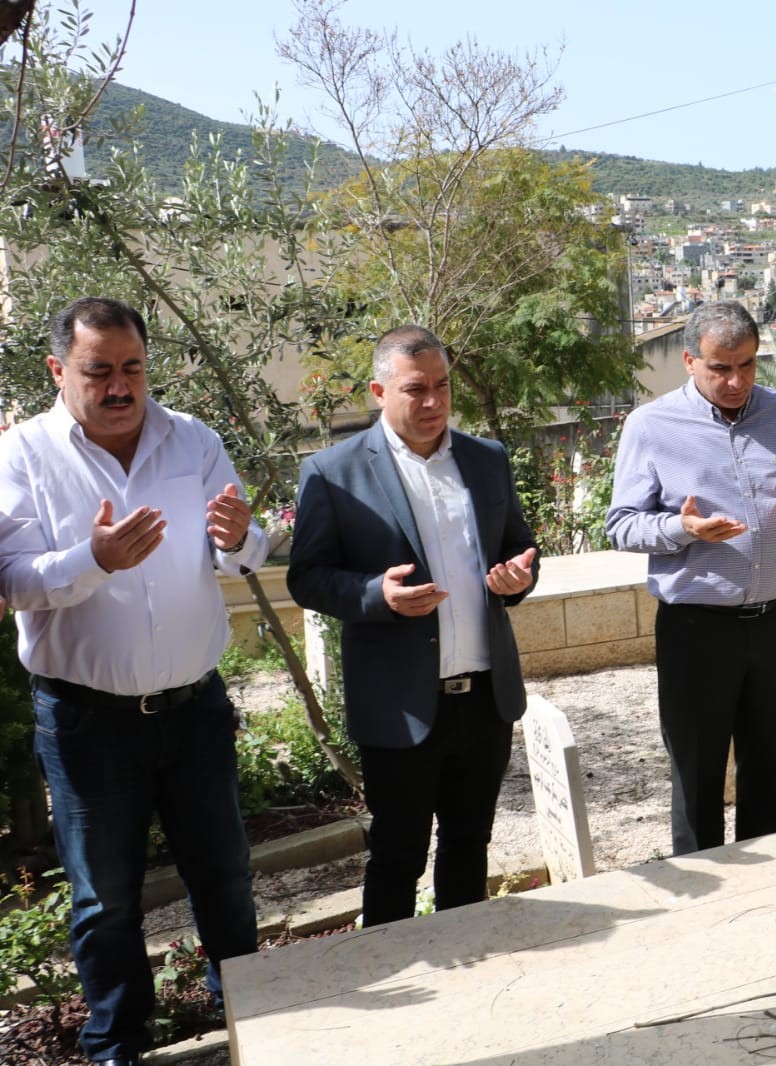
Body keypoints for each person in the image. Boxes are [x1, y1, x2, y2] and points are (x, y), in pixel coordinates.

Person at [0, 296, 266, 1066]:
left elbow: (244, 552)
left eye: (132, 369)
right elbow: (11, 579)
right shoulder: (22, 455)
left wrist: (241, 537)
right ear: (58, 371)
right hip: (87, 723)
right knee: (104, 900)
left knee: (224, 875)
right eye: (98, 372)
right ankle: (116, 1044)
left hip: (194, 710)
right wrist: (94, 561)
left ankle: (252, 1013)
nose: (120, 387)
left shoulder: (193, 440)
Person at [287, 324, 538, 926]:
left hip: (484, 698)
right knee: (398, 856)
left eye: (443, 387)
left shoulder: (486, 459)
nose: (433, 403)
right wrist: (377, 594)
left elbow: (521, 550)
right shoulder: (333, 472)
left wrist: (519, 578)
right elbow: (308, 577)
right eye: (416, 389)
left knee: (468, 847)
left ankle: (464, 965)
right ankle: (391, 970)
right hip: (400, 707)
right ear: (379, 390)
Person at [606, 301, 776, 856]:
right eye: (720, 368)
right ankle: (706, 898)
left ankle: (765, 886)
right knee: (697, 775)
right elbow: (621, 525)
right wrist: (681, 528)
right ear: (689, 361)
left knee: (768, 767)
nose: (736, 381)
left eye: (748, 366)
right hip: (696, 628)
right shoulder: (651, 427)